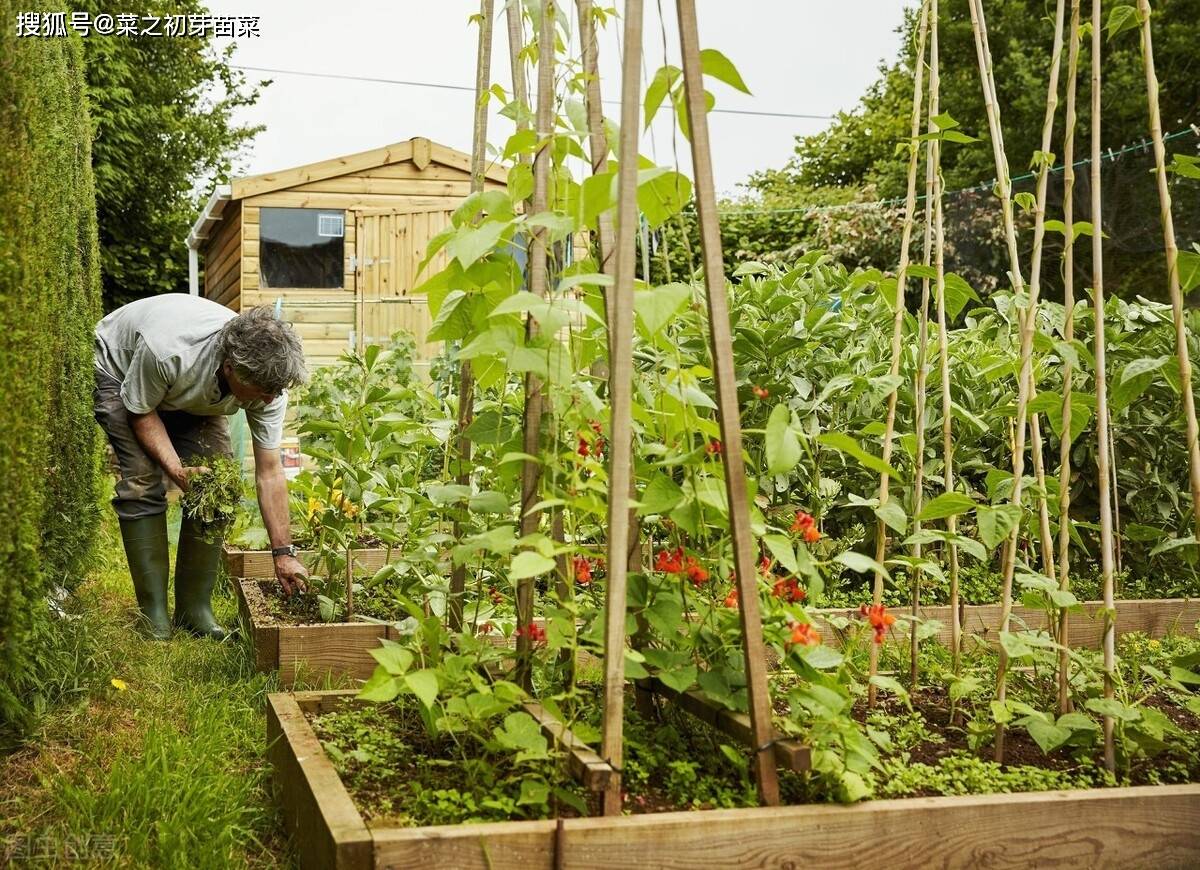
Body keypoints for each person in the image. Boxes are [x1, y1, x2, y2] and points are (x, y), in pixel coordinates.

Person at [93, 295, 310, 640]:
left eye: (276, 391)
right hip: (120, 373)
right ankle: (154, 616)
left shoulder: (269, 385)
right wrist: (178, 471)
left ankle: (194, 611)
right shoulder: (168, 350)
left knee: (216, 488)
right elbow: (140, 412)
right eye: (263, 391)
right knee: (142, 482)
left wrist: (283, 553)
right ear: (230, 368)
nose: (270, 399)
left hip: (182, 388)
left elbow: (269, 471)